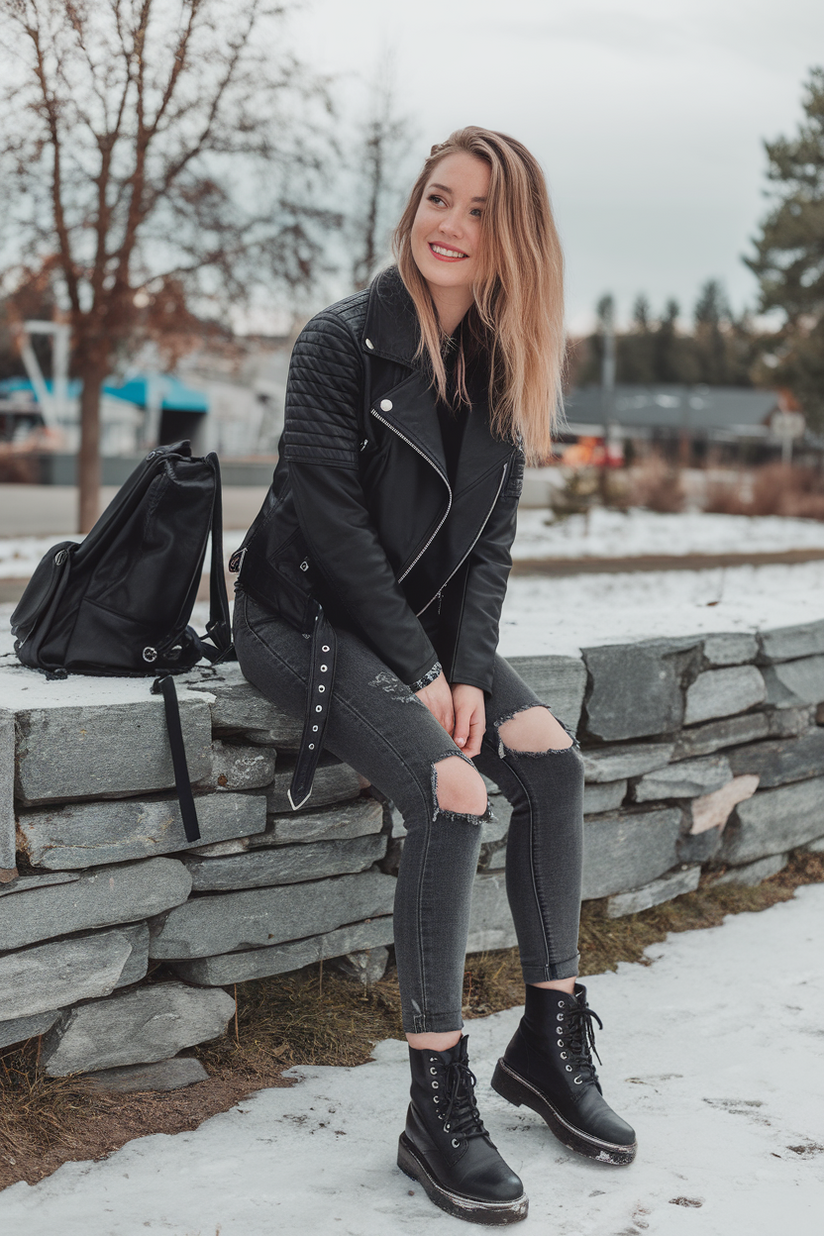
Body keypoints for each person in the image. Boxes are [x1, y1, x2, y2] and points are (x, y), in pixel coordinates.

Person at [231, 126, 636, 1226]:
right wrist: (420, 673)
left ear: (513, 241)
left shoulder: (503, 367)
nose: (448, 225)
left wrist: (461, 667)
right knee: (454, 792)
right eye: (436, 199)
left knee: (548, 762)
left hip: (414, 634)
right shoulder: (339, 343)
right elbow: (328, 526)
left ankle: (546, 1044)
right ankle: (434, 1099)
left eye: (476, 211)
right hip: (297, 617)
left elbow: (488, 551)